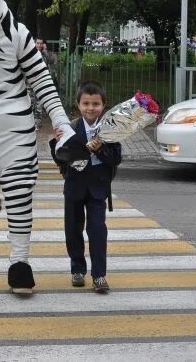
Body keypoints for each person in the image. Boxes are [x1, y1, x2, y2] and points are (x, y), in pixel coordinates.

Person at [52, 82, 122, 293]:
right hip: (74, 188)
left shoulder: (110, 130)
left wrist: (100, 150)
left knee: (98, 231)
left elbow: (116, 159)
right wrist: (59, 142)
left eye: (96, 104)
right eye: (86, 104)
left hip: (98, 190)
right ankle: (77, 270)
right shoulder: (71, 128)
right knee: (73, 230)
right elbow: (60, 158)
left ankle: (99, 275)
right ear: (78, 105)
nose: (91, 108)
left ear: (104, 105)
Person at [29, 38, 59, 130]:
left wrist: (45, 51)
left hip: (41, 83)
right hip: (30, 84)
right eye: (37, 43)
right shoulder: (29, 53)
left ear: (43, 44)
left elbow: (53, 61)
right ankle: (29, 123)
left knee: (38, 104)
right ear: (34, 43)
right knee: (29, 103)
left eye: (41, 43)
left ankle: (37, 123)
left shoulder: (45, 55)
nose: (39, 45)